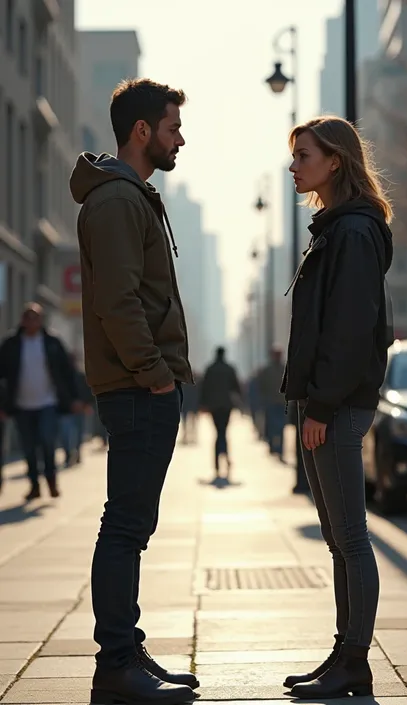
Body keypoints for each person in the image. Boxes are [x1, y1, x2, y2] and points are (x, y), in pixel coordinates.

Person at [69, 79, 198, 705]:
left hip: (139, 386)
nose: (180, 138)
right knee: (124, 527)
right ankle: (117, 664)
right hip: (137, 388)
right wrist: (154, 373)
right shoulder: (119, 201)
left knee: (130, 525)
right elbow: (119, 303)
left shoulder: (128, 197)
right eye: (172, 127)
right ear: (141, 131)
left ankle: (127, 652)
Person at [281, 116, 393, 700]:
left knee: (351, 537)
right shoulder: (336, 227)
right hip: (325, 401)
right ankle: (344, 652)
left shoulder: (350, 232)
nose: (295, 165)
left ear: (335, 162)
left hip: (339, 406)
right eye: (295, 155)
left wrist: (320, 405)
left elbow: (350, 329)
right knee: (339, 538)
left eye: (304, 155)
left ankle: (355, 660)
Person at [0, 303, 80, 500]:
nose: (31, 321)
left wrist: (74, 399)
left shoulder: (52, 342)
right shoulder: (11, 344)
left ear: (41, 320)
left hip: (48, 402)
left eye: (35, 317)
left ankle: (51, 481)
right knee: (28, 446)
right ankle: (34, 485)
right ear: (22, 320)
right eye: (27, 317)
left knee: (47, 441)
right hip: (21, 404)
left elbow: (67, 373)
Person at [200, 347, 241, 480]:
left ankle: (218, 463)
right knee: (223, 432)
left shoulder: (210, 369)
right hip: (226, 405)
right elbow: (236, 387)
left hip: (214, 406)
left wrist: (203, 404)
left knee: (218, 432)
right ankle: (225, 457)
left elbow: (204, 388)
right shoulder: (229, 369)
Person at [258, 346, 286, 462]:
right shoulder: (267, 370)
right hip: (271, 402)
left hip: (280, 402)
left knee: (280, 427)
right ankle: (272, 446)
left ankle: (279, 449)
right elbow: (261, 386)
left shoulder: (284, 369)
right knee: (271, 425)